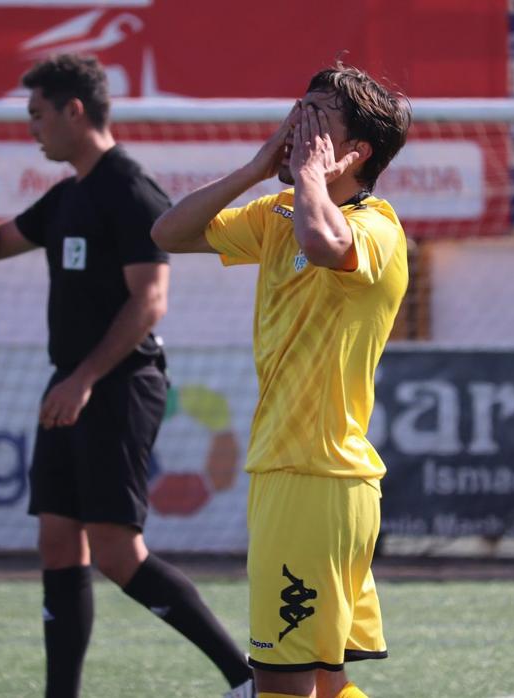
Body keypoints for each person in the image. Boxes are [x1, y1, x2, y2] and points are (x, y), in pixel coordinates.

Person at [0, 53, 254, 698]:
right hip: (71, 385)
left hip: (118, 384)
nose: (33, 128)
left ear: (73, 111)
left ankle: (245, 678)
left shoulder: (130, 189)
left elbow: (150, 300)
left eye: (37, 115)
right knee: (57, 540)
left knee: (114, 551)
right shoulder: (68, 195)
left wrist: (82, 380)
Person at [151, 63, 412, 698]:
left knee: (281, 685)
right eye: (298, 111)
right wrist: (256, 168)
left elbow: (327, 242)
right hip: (306, 480)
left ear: (357, 152)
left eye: (317, 119)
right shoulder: (278, 213)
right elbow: (167, 232)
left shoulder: (377, 226)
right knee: (324, 681)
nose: (298, 126)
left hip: (314, 482)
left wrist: (309, 177)